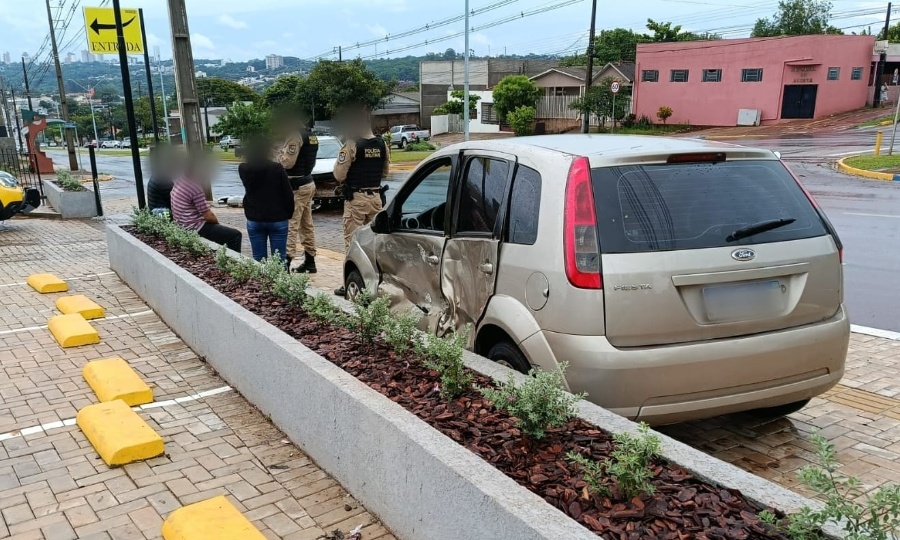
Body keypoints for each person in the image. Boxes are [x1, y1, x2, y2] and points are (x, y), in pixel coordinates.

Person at [332, 105, 390, 296]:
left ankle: (351, 282)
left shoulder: (351, 144)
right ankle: (377, 282)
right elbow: (385, 172)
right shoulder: (382, 144)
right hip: (376, 199)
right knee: (374, 242)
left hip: (356, 200)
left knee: (352, 242)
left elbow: (339, 175)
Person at [170, 154, 243, 253]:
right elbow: (209, 216)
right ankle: (234, 263)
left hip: (182, 224)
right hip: (194, 228)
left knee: (221, 234)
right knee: (235, 235)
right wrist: (217, 225)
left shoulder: (180, 180)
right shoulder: (194, 188)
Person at [239, 136, 295, 261]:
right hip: (277, 218)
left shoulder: (243, 168)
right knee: (280, 258)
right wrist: (289, 213)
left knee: (258, 259)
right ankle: (280, 280)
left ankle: (261, 280)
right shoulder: (277, 168)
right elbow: (288, 193)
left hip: (254, 217)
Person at [277, 112, 320, 273]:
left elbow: (288, 163)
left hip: (296, 186)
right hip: (308, 182)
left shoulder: (295, 136)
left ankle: (285, 262)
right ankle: (310, 260)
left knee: (291, 224)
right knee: (306, 224)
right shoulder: (312, 135)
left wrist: (279, 154)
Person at [147, 145, 175, 215]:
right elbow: (173, 201)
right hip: (162, 213)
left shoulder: (157, 175)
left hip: (155, 210)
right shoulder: (164, 180)